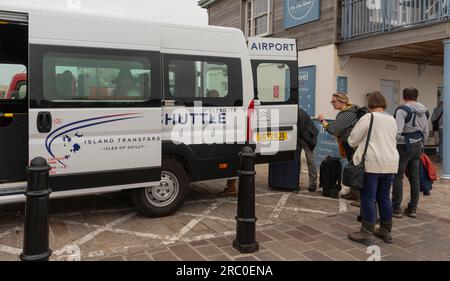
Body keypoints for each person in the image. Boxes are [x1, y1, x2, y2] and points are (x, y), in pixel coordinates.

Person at [347, 91, 399, 246]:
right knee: (384, 196)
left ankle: (366, 232)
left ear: (369, 104)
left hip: (372, 162)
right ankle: (385, 230)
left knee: (368, 197)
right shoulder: (392, 119)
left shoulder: (368, 117)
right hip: (390, 163)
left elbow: (352, 140)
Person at [392, 87, 429, 219]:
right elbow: (426, 131)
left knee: (398, 177)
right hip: (418, 145)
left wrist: (391, 143)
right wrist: (421, 145)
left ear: (404, 96)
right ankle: (412, 208)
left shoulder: (402, 110)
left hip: (403, 146)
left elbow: (397, 130)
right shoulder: (424, 111)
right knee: (414, 177)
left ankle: (396, 208)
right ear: (416, 96)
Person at [318, 93, 360, 201]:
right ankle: (354, 192)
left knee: (354, 169)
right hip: (352, 144)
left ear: (342, 101)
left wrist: (322, 121)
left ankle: (358, 195)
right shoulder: (352, 111)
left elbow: (333, 130)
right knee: (354, 168)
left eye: (333, 101)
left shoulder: (346, 114)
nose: (332, 104)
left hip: (351, 145)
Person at [297, 107, 319, 192]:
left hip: (307, 138)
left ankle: (313, 183)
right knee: (297, 160)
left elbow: (300, 129)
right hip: (303, 136)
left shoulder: (297, 113)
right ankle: (295, 181)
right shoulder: (297, 111)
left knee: (310, 160)